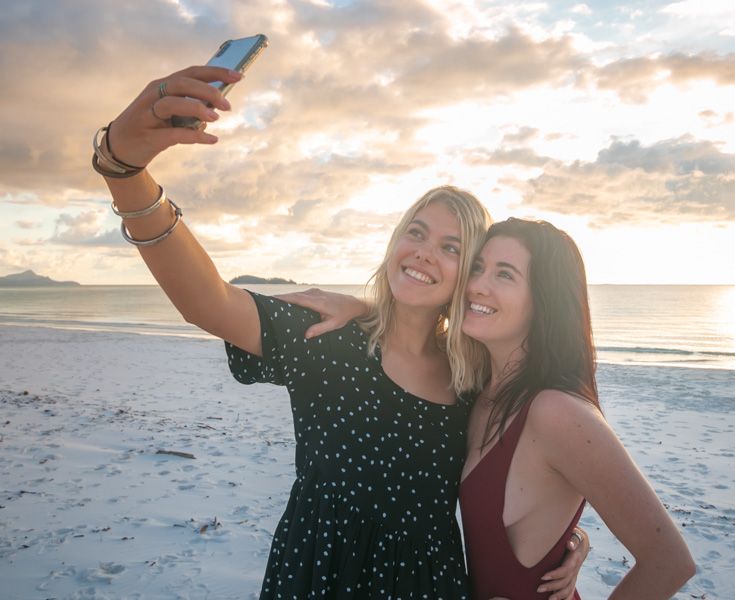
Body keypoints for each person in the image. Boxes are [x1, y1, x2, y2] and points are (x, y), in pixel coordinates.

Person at [92, 65, 588, 599]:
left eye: (451, 247)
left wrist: (564, 538)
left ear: (469, 273)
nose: (424, 251)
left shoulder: (475, 376)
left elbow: (517, 477)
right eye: (416, 233)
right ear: (395, 243)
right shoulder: (326, 336)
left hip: (429, 585)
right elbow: (206, 301)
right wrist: (124, 171)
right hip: (318, 577)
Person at [459, 219, 696, 599]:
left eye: (505, 274)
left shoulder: (555, 412)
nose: (477, 285)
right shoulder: (475, 391)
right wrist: (575, 540)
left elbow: (669, 561)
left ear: (544, 300)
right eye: (478, 267)